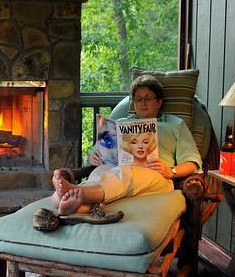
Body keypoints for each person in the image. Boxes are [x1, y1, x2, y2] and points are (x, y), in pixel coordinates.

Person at [50, 75, 202, 216]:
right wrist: (94, 156)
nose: (142, 103)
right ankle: (71, 205)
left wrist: (170, 171)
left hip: (156, 176)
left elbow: (193, 163)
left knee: (126, 173)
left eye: (148, 98)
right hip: (114, 169)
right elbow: (99, 150)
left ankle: (72, 193)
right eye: (138, 99)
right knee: (100, 172)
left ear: (159, 102)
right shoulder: (120, 123)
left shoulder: (175, 124)